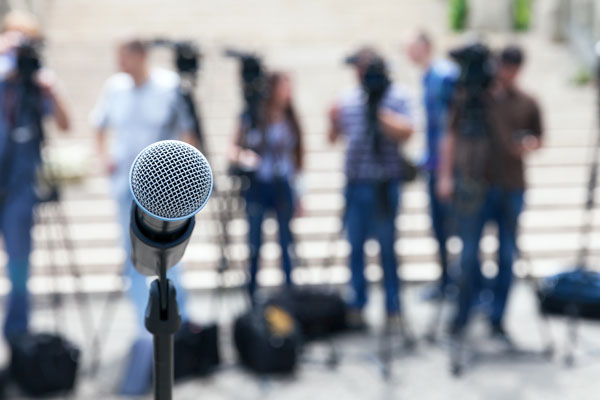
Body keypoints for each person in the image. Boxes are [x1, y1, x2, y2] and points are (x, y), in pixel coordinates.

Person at [91, 37, 195, 394]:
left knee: (169, 257)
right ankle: (142, 327)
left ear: (140, 56)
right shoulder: (114, 89)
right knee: (134, 257)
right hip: (124, 188)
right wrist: (104, 156)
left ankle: (178, 324)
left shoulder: (169, 87)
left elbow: (188, 132)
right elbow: (98, 124)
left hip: (162, 191)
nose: (118, 61)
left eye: (123, 55)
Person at [437, 44, 543, 341]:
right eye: (502, 66)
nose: (505, 73)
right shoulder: (473, 98)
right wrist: (445, 175)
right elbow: (451, 134)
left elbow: (539, 138)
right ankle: (463, 313)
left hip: (511, 185)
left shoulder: (527, 101)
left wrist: (525, 144)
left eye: (511, 67)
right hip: (476, 184)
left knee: (507, 255)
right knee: (468, 254)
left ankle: (497, 318)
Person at [329, 47, 414, 327]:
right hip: (356, 183)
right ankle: (357, 305)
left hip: (386, 183)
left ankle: (393, 308)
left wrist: (379, 112)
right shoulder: (348, 98)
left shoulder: (397, 95)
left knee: (387, 247)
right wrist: (331, 120)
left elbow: (407, 131)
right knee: (355, 247)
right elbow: (334, 137)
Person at [0, 11, 70, 339]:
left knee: (19, 266)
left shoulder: (36, 84)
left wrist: (49, 90)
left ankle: (17, 336)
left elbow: (65, 125)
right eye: (14, 40)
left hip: (20, 188)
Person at [229, 71, 304, 299]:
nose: (287, 93)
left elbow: (298, 158)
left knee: (286, 243)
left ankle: (290, 295)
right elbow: (233, 147)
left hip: (283, 184)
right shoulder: (252, 116)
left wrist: (301, 192)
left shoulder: (290, 117)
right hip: (258, 185)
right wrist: (245, 157)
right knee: (254, 243)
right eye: (283, 87)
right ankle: (251, 295)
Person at [407, 31, 459, 299]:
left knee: (453, 228)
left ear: (425, 46)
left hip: (447, 167)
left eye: (411, 46)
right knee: (438, 228)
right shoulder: (428, 76)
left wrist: (444, 171)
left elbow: (447, 126)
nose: (407, 52)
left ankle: (458, 283)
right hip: (434, 164)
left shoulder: (443, 75)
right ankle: (446, 280)